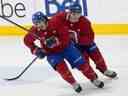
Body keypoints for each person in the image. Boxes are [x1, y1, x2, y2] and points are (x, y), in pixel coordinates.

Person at [24, 11, 104, 93]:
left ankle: (93, 79)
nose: (39, 25)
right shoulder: (35, 31)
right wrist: (36, 50)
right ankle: (73, 83)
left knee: (82, 65)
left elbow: (66, 37)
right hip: (52, 53)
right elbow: (26, 40)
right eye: (36, 23)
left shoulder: (55, 23)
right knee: (62, 70)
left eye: (40, 22)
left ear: (45, 19)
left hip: (66, 47)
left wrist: (56, 41)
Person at [50, 3, 117, 79]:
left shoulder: (85, 22)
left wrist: (76, 39)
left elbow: (90, 38)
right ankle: (92, 76)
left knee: (96, 53)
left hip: (85, 43)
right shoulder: (59, 18)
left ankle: (104, 69)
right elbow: (49, 26)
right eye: (74, 14)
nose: (76, 17)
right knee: (84, 62)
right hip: (72, 46)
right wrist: (52, 38)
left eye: (78, 14)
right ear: (69, 12)